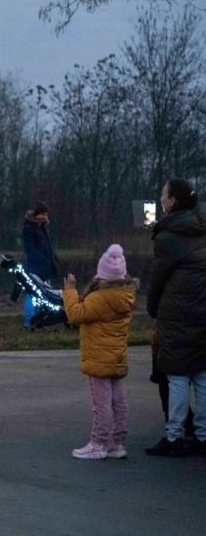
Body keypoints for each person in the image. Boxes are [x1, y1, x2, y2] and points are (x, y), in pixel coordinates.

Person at [144, 178, 206, 457]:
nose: (160, 198)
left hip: (178, 313)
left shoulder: (168, 236)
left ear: (173, 202)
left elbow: (158, 279)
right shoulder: (202, 227)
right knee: (203, 375)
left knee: (178, 376)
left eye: (163, 194)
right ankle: (203, 435)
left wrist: (153, 308)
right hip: (203, 309)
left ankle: (175, 436)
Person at [62, 244, 134, 460]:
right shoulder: (126, 296)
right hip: (117, 357)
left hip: (98, 358)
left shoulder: (100, 298)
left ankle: (98, 443)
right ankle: (117, 443)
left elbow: (75, 315)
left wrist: (70, 292)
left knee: (101, 403)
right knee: (119, 402)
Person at [21, 200, 59, 327]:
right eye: (42, 214)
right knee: (32, 295)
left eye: (46, 214)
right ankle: (29, 320)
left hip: (45, 268)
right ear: (37, 215)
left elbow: (47, 246)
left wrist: (53, 257)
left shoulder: (42, 228)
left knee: (45, 295)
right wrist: (43, 259)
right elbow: (30, 249)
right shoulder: (29, 228)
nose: (45, 217)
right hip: (35, 268)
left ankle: (39, 319)